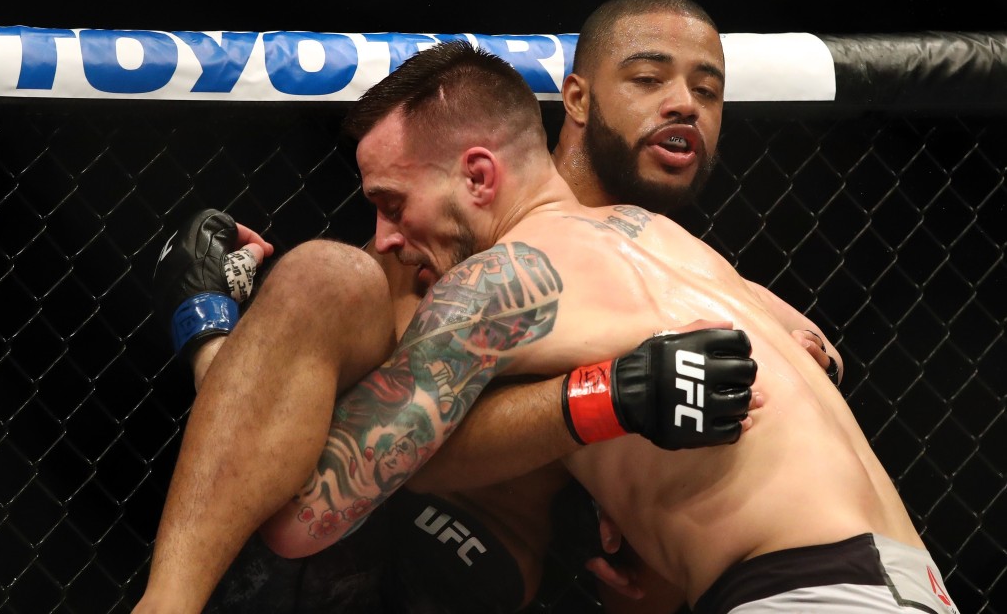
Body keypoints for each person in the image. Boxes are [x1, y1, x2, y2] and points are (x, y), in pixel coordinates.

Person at [134, 0, 840, 614]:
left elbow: (645, 590)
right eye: (650, 78)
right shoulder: (438, 238)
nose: (684, 103)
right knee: (328, 279)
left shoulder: (709, 289)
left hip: (467, 561)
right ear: (579, 99)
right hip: (339, 516)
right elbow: (317, 452)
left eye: (709, 92)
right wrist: (219, 346)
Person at [300, 39, 958, 612]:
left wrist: (214, 331)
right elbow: (818, 354)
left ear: (477, 175)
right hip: (913, 580)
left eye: (392, 203)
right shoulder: (671, 244)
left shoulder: (496, 282)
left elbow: (310, 516)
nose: (385, 237)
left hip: (810, 592)